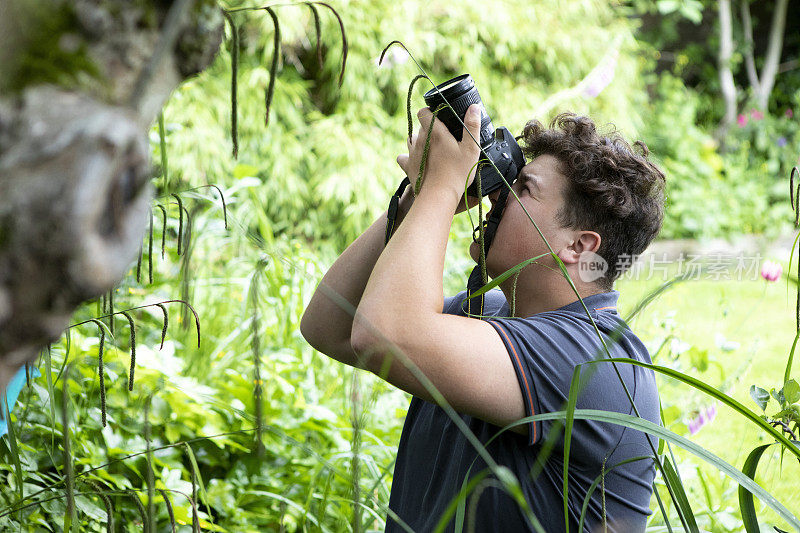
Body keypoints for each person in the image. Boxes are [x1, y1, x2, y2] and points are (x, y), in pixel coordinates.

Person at [300, 104, 666, 532]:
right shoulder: (493, 315)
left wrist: (443, 182)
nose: (498, 195)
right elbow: (330, 325)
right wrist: (418, 196)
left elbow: (383, 336)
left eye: (524, 189)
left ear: (579, 247)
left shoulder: (595, 362)